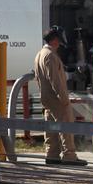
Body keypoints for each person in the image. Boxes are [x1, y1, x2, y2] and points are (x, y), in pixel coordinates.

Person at [34, 26, 86, 166]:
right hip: (56, 98)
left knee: (51, 127)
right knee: (65, 125)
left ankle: (52, 154)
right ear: (55, 40)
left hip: (46, 98)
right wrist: (64, 99)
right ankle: (69, 155)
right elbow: (55, 81)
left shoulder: (40, 54)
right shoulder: (50, 56)